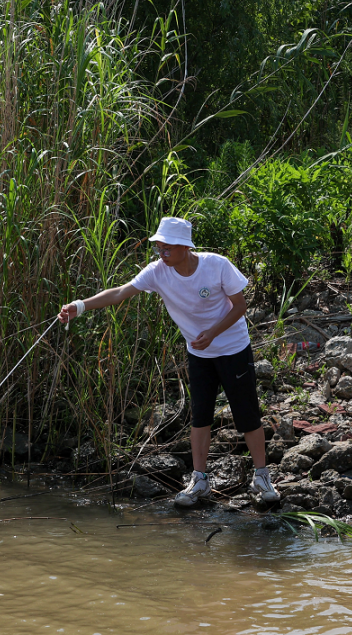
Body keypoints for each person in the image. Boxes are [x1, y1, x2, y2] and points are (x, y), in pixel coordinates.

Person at [58, 216, 280, 507]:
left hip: (233, 348)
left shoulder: (217, 265)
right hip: (200, 354)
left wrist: (213, 333)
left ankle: (262, 477)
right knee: (200, 417)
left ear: (185, 247)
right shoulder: (158, 272)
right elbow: (121, 292)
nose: (161, 254)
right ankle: (199, 481)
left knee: (247, 414)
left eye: (166, 249)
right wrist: (80, 306)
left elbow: (240, 306)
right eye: (158, 248)